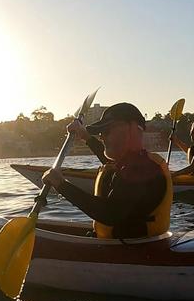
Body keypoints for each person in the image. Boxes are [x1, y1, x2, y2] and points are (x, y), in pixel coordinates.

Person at [41, 102, 172, 239]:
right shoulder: (132, 163)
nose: (102, 137)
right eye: (101, 132)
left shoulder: (144, 168)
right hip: (120, 245)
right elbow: (109, 163)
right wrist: (85, 136)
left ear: (133, 129)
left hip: (132, 252)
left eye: (107, 130)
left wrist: (62, 185)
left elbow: (111, 213)